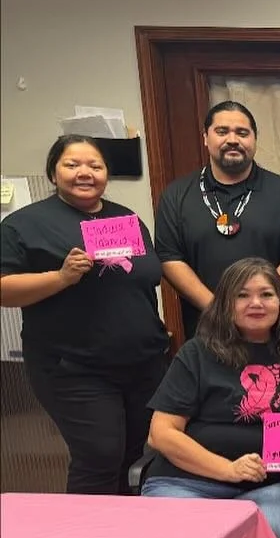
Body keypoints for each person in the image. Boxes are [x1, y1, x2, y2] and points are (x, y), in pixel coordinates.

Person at [0, 136, 170, 494]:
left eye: (95, 166)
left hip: (142, 363)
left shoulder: (125, 218)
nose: (85, 173)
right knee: (99, 454)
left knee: (136, 454)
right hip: (74, 367)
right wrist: (61, 278)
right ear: (53, 171)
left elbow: (138, 279)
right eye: (72, 164)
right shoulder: (25, 224)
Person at [142, 257, 280, 538]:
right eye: (242, 295)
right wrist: (228, 470)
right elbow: (161, 434)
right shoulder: (198, 352)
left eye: (266, 294)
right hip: (187, 482)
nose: (255, 303)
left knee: (272, 535)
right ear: (225, 304)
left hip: (269, 484)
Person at [154, 100, 280, 340]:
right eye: (222, 131)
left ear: (254, 139)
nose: (233, 139)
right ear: (206, 137)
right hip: (209, 331)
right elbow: (170, 259)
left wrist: (256, 304)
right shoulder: (176, 196)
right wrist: (221, 310)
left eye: (242, 133)